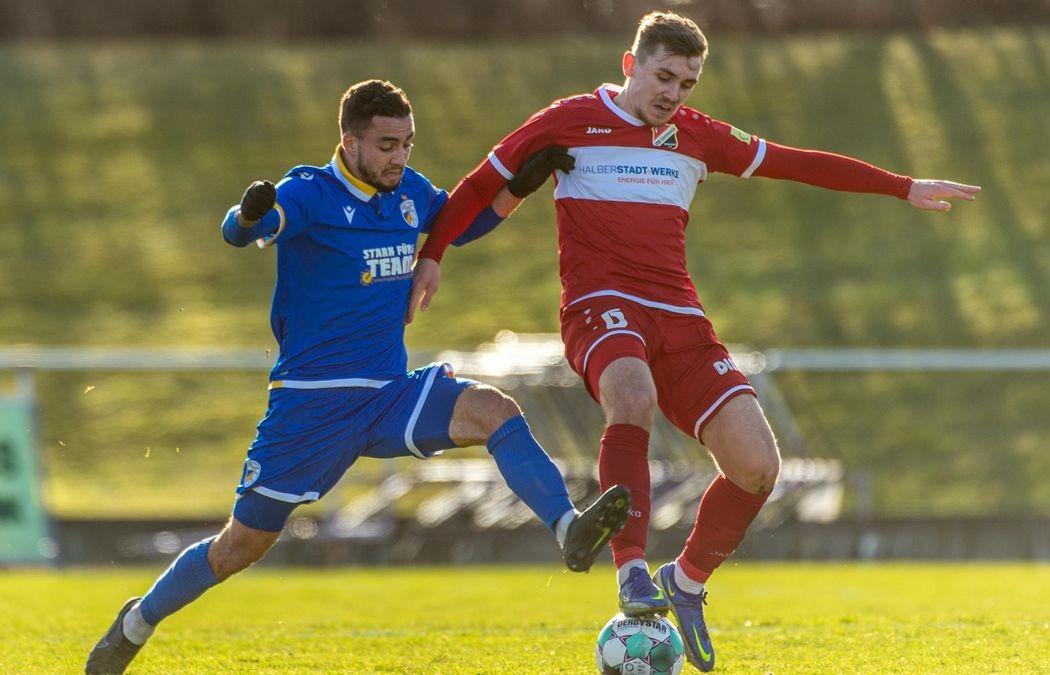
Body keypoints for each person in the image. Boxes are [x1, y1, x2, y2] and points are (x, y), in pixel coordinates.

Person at [409, 11, 980, 672]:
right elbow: (481, 184)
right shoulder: (567, 119)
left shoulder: (696, 136)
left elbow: (797, 162)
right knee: (632, 392)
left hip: (680, 318)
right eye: (663, 76)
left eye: (687, 81)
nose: (674, 93)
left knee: (758, 467)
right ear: (631, 64)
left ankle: (686, 583)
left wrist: (903, 186)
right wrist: (434, 254)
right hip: (601, 306)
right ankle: (631, 571)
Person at [85, 79, 628, 675]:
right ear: (350, 142)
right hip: (311, 406)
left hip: (390, 394)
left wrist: (520, 185)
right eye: (388, 145)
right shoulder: (309, 193)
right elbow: (244, 233)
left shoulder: (408, 193)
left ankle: (568, 528)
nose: (401, 157)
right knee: (238, 548)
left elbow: (460, 224)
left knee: (493, 409)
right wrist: (246, 214)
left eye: (408, 144)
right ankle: (136, 623)